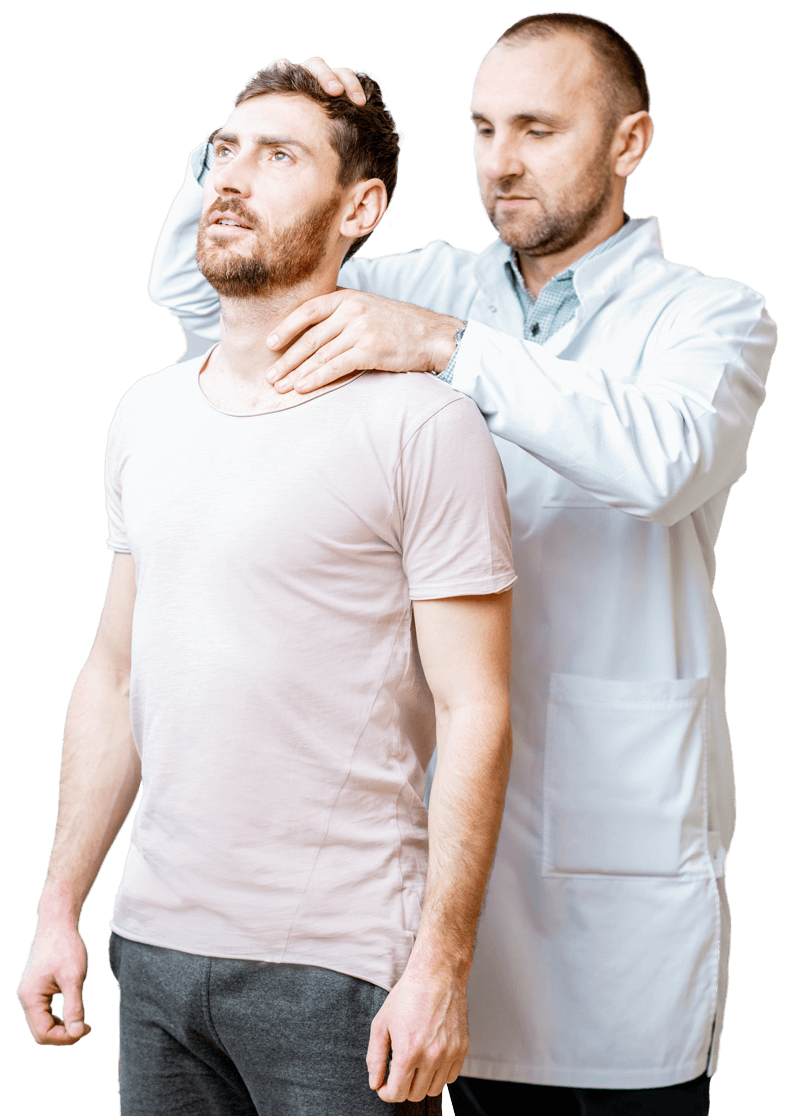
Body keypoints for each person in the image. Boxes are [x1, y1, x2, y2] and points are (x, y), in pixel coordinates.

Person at [143, 13, 778, 1116]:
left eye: (537, 128)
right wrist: (247, 139)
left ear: (628, 143)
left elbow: (665, 460)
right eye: (483, 129)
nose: (501, 160)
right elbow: (206, 299)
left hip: (608, 856)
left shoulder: (708, 316)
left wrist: (445, 349)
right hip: (422, 868)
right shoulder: (430, 282)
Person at [16, 61, 519, 1116]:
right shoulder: (147, 414)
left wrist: (439, 968)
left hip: (340, 971)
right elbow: (115, 675)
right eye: (225, 152)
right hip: (152, 950)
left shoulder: (424, 425)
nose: (233, 180)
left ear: (359, 209)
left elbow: (477, 708)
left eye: (280, 155)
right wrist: (60, 908)